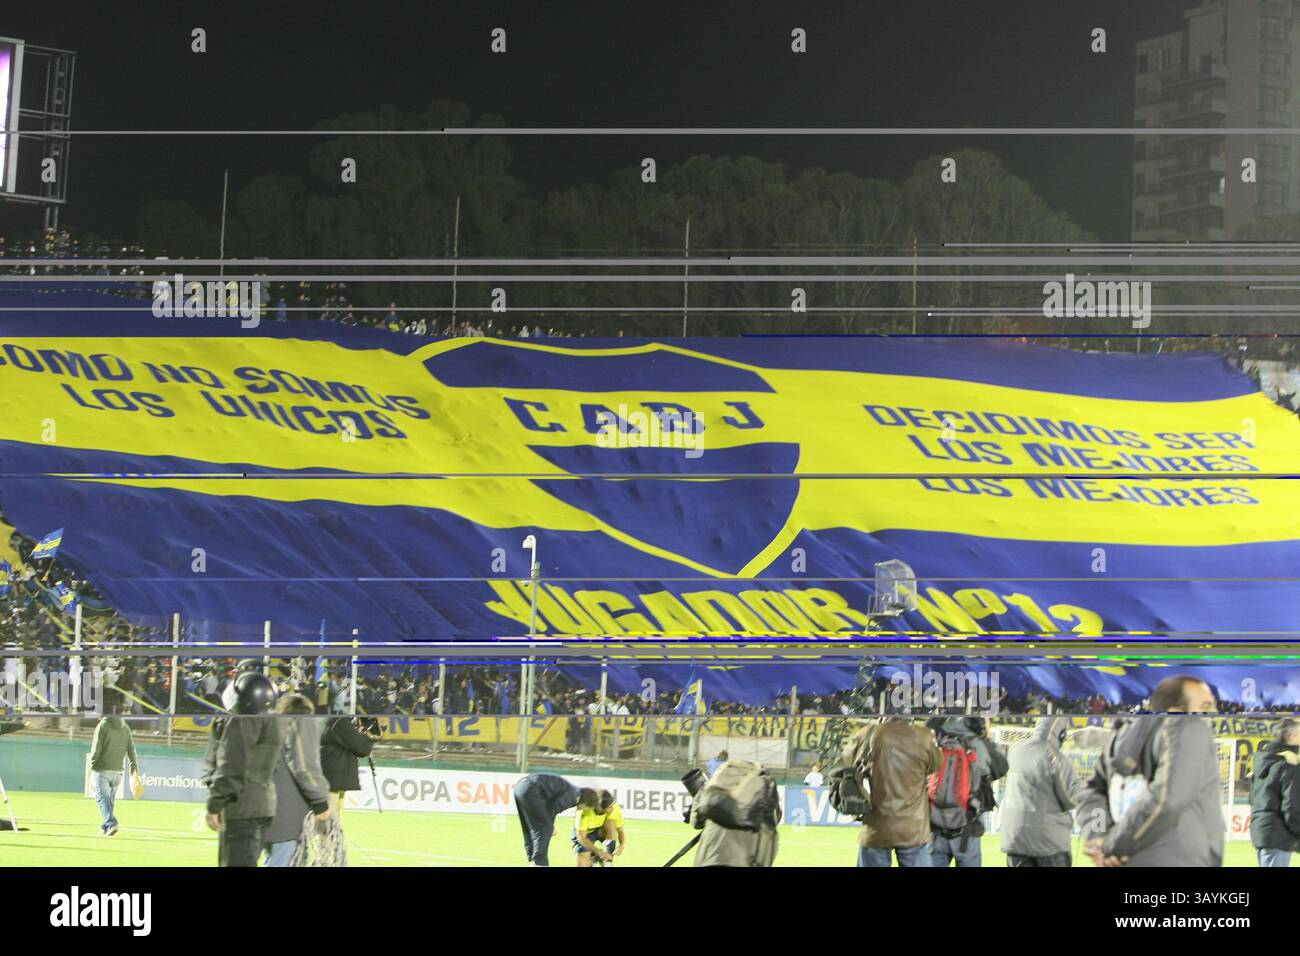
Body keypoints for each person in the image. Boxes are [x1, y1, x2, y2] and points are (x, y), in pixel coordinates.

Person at [1076, 676, 1223, 867]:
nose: (1213, 712)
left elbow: (1093, 793)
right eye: (1205, 706)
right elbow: (1167, 799)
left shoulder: (1118, 739)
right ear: (1176, 710)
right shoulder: (1189, 727)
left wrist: (1099, 836)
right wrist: (1113, 845)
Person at [205, 671, 286, 867]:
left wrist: (214, 804)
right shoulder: (276, 722)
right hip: (265, 805)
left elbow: (231, 766)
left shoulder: (241, 721)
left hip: (242, 807)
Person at [843, 717, 942, 867]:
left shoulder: (869, 733)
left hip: (876, 826)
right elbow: (936, 765)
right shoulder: (923, 736)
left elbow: (847, 758)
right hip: (914, 829)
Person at [999, 716, 1089, 866]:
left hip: (1015, 840)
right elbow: (1072, 798)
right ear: (1061, 733)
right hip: (1049, 844)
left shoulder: (1016, 749)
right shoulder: (1055, 758)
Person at [926, 715, 1008, 867]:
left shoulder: (939, 737)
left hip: (935, 826)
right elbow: (1002, 767)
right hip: (967, 830)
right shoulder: (979, 745)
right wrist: (985, 738)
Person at [262, 693, 333, 867]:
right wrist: (321, 804)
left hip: (266, 817)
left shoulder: (268, 729)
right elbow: (305, 768)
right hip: (287, 821)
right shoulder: (299, 725)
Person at [513, 771, 595, 866]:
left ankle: (533, 858)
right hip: (530, 789)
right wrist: (551, 826)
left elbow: (550, 807)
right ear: (586, 802)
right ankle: (539, 863)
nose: (584, 810)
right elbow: (553, 809)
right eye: (587, 808)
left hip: (520, 787)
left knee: (529, 826)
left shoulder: (573, 790)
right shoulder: (575, 795)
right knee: (545, 828)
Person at [1249, 716, 1300, 867]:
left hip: (1262, 831)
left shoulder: (1264, 761)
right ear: (1291, 736)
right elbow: (1291, 805)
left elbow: (1253, 798)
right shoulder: (1288, 763)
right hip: (1278, 833)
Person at [89, 698, 139, 837]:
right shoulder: (125, 727)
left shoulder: (103, 725)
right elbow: (131, 749)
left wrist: (92, 765)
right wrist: (133, 768)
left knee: (101, 798)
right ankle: (105, 827)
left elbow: (96, 748)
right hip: (118, 771)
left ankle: (111, 823)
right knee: (109, 801)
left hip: (102, 768)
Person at [320, 714, 378, 816]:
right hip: (333, 776)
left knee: (335, 810)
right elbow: (362, 748)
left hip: (333, 775)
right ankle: (329, 831)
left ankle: (334, 830)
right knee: (332, 812)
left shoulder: (331, 720)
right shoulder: (340, 722)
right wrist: (370, 734)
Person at [573, 789, 625, 866]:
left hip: (601, 830)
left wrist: (622, 845)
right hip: (586, 834)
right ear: (599, 807)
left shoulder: (615, 808)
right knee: (583, 865)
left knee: (611, 822)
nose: (612, 808)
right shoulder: (584, 812)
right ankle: (596, 856)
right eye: (609, 807)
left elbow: (620, 830)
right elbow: (581, 837)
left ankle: (607, 860)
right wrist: (599, 852)